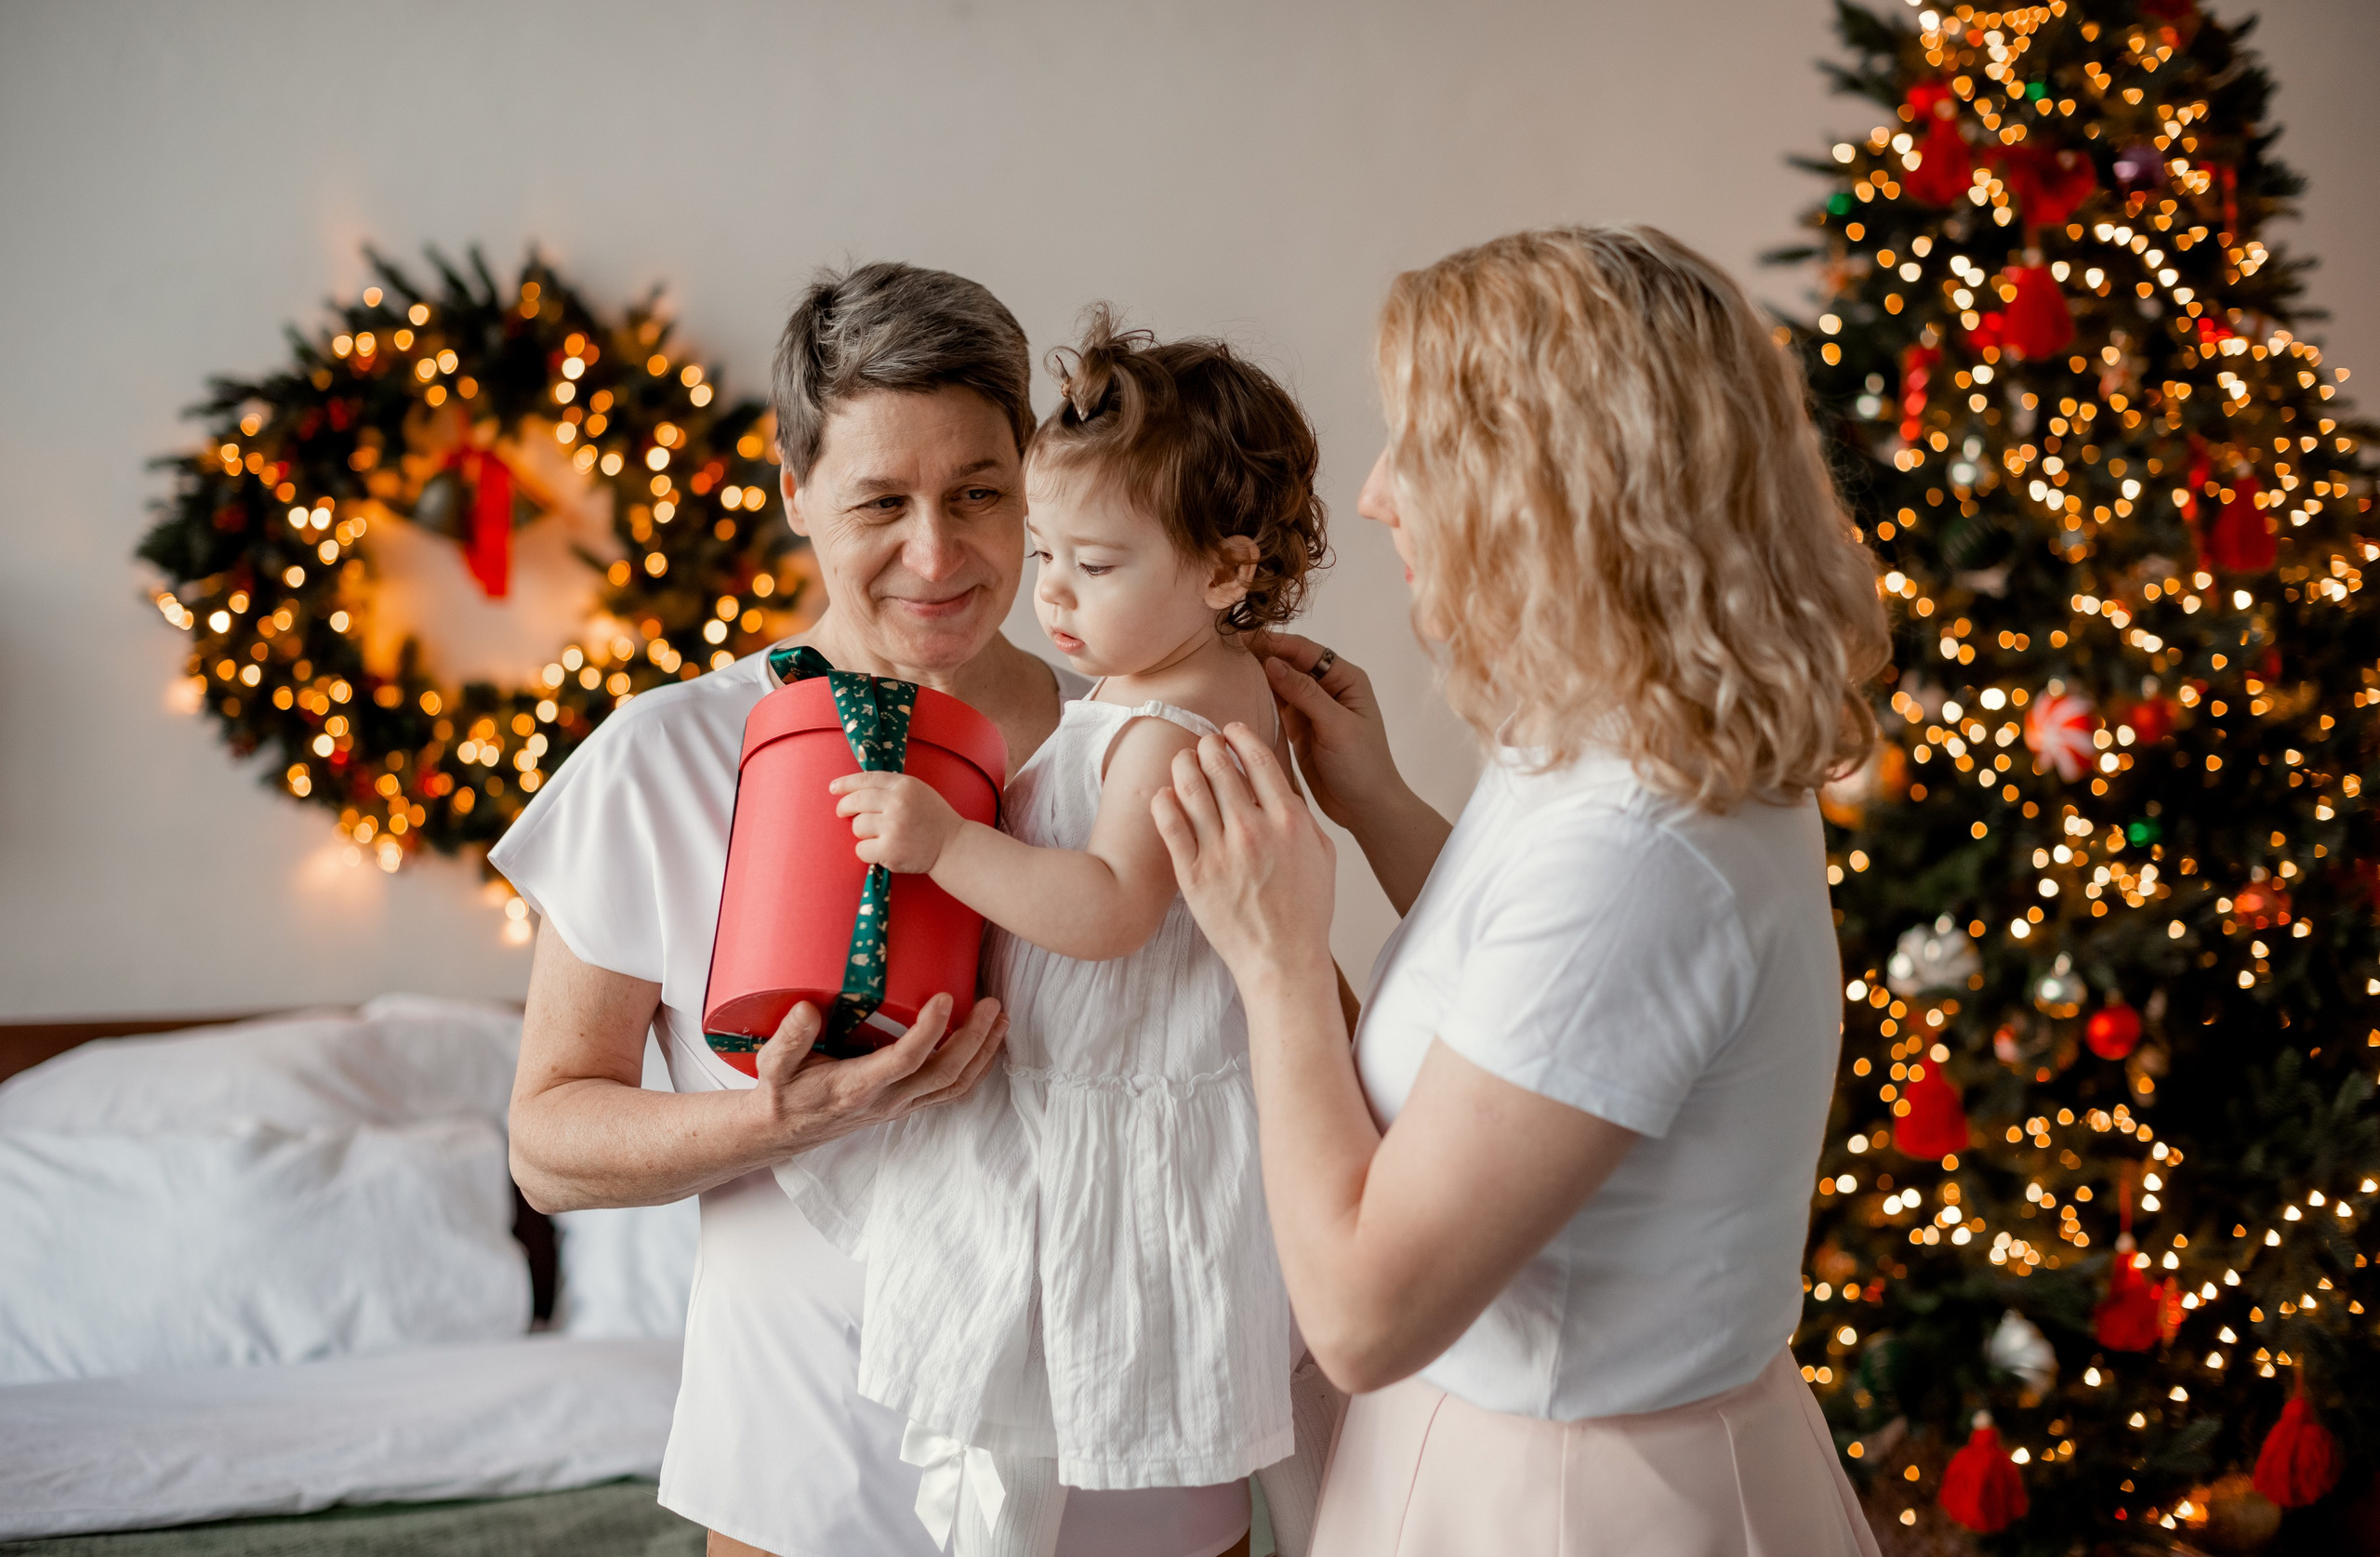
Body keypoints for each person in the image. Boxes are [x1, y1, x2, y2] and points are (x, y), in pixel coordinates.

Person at [1151, 226, 1892, 1555]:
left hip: (1565, 1504)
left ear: (1552, 487)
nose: (1377, 495)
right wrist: (1376, 804)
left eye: (1420, 448)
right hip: (1517, 1456)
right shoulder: (1634, 722)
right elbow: (1546, 1029)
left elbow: (1364, 1315)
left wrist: (1275, 962)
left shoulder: (1642, 852)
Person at [497, 263, 1256, 1557]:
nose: (937, 552)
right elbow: (549, 1143)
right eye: (881, 501)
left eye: (978, 494)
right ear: (795, 490)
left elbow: (1285, 1053)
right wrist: (779, 1115)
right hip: (811, 1472)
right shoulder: (667, 758)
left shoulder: (1139, 746)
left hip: (1133, 1459)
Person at [784, 310, 1340, 1557]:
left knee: (1069, 1424)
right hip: (1117, 1093)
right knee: (1092, 1453)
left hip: (1113, 1118)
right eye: (1044, 555)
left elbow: (1106, 908)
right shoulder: (1188, 681)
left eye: (1094, 564)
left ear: (1222, 569)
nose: (1053, 598)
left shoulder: (1158, 728)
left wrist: (945, 844)